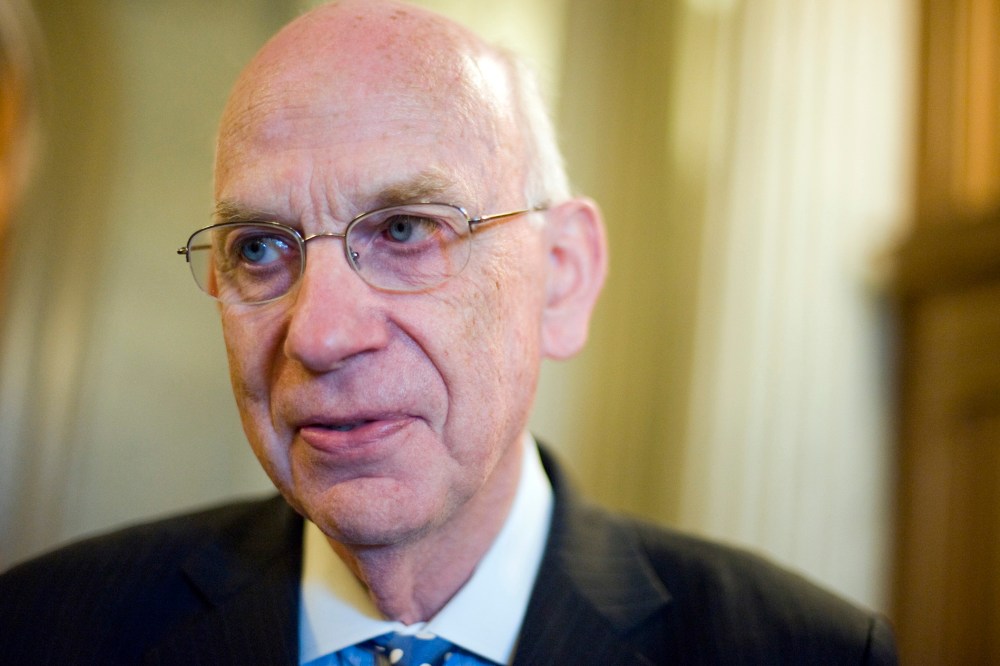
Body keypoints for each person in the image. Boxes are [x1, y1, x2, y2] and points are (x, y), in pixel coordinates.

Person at [0, 1, 898, 663]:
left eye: (402, 230)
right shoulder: (46, 630)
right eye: (262, 247)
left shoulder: (803, 652)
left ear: (562, 276)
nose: (320, 335)